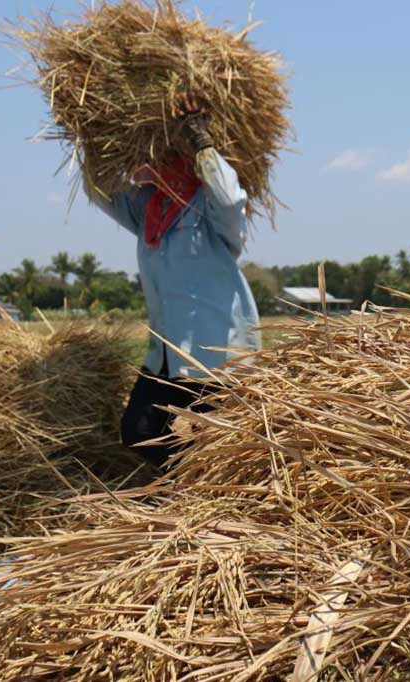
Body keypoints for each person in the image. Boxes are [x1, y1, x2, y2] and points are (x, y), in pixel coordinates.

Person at [85, 95, 261, 468]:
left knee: (219, 442)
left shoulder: (210, 210)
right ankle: (187, 484)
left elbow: (230, 199)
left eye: (163, 156)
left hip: (216, 353)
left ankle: (204, 494)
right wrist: (91, 138)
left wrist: (200, 139)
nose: (151, 164)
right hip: (166, 353)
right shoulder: (148, 210)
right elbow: (97, 191)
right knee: (139, 431)